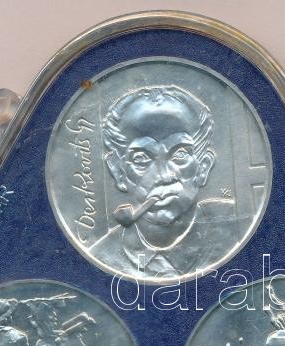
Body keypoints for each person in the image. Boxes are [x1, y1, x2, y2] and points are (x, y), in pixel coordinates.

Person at [90, 85, 237, 279]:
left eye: (180, 154)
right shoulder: (101, 256)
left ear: (203, 167)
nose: (164, 176)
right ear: (119, 172)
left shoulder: (235, 227)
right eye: (141, 158)